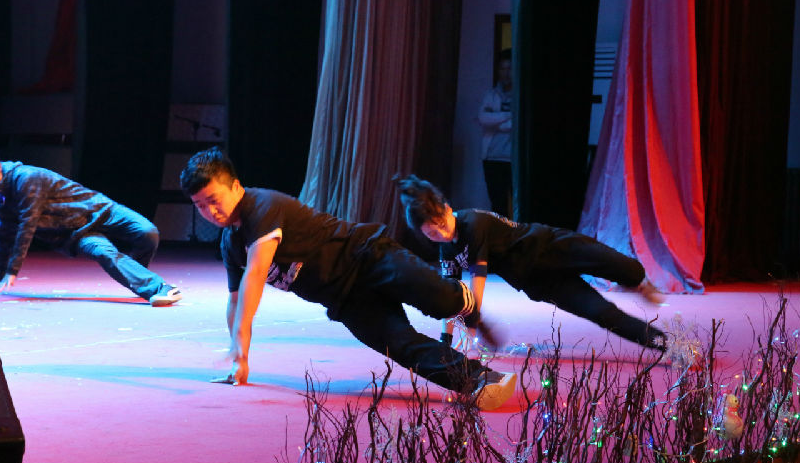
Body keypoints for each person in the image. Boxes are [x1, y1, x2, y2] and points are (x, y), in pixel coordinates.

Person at [179, 147, 517, 410]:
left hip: (368, 256)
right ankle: (480, 379)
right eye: (200, 206)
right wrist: (239, 356)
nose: (211, 212)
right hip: (346, 300)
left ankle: (462, 300)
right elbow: (235, 299)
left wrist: (240, 341)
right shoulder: (230, 245)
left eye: (214, 200)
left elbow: (255, 276)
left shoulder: (261, 206)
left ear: (235, 186)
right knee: (401, 344)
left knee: (439, 300)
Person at [395, 174, 666, 352]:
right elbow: (452, 296)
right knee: (602, 313)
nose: (441, 235)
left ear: (447, 209)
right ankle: (667, 344)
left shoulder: (473, 224)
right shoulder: (447, 252)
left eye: (441, 225)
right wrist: (446, 341)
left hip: (551, 246)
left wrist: (473, 323)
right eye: (432, 234)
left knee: (623, 266)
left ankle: (639, 283)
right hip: (540, 282)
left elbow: (477, 283)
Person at [0, 144, 181, 306]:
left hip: (97, 208)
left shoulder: (25, 178)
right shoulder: (0, 199)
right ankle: (158, 288)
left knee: (147, 232)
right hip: (75, 233)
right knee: (105, 253)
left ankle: (137, 277)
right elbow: (3, 237)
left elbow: (28, 223)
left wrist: (12, 272)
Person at [477, 49, 513, 218]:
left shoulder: (521, 95)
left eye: (509, 68)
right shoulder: (491, 95)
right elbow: (483, 118)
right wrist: (509, 115)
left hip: (513, 160)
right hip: (492, 158)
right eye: (503, 69)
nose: (506, 73)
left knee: (518, 205)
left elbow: (516, 124)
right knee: (498, 205)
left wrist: (496, 118)